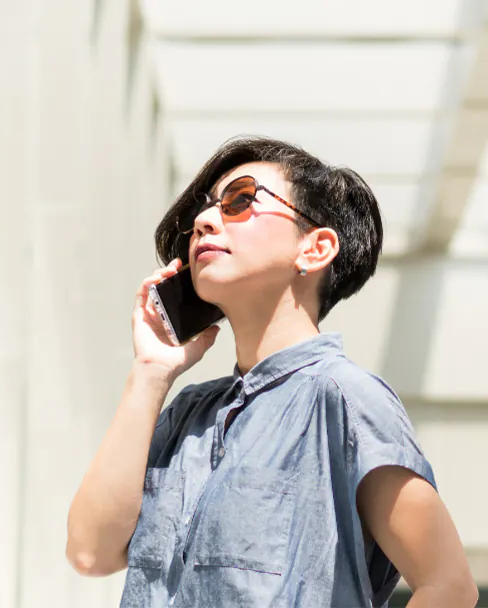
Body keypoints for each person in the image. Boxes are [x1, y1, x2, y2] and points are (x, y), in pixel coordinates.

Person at [65, 136, 478, 607]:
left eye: (240, 201)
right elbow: (89, 551)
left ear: (315, 248)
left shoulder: (345, 399)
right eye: (204, 212)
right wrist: (150, 372)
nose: (203, 221)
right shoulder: (188, 414)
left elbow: (448, 586)